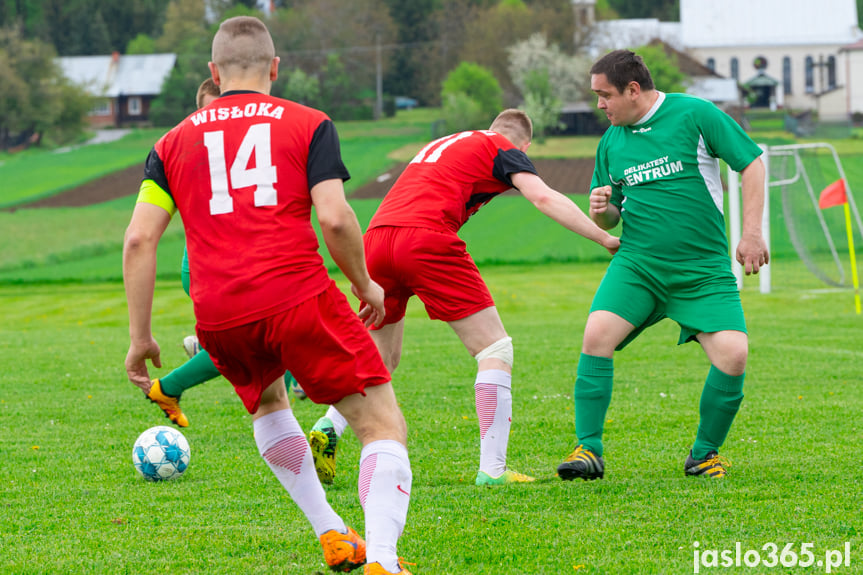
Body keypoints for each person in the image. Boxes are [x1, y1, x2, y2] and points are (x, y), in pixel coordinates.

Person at [123, 16, 413, 575]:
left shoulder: (170, 142)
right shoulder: (309, 124)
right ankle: (382, 562)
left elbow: (139, 239)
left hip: (220, 315)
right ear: (275, 67)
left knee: (270, 404)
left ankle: (331, 532)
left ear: (214, 72)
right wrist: (364, 283)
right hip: (296, 295)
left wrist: (141, 338)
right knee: (381, 424)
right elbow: (334, 218)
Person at [310, 108, 620, 487]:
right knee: (495, 350)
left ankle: (328, 426)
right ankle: (493, 470)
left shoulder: (445, 143)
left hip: (375, 240)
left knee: (381, 359)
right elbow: (542, 197)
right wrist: (603, 237)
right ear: (524, 145)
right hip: (424, 238)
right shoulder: (503, 148)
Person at [556, 49, 769, 482]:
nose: (599, 105)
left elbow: (752, 163)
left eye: (604, 95)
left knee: (734, 355)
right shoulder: (611, 142)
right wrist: (601, 210)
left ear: (633, 90)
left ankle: (703, 454)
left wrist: (750, 233)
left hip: (702, 269)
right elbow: (610, 215)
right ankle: (587, 450)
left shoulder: (694, 114)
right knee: (597, 335)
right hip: (639, 265)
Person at [145, 78, 303, 429]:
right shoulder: (196, 154)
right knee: (246, 345)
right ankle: (169, 385)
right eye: (210, 109)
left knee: (271, 333)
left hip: (236, 266)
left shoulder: (249, 151)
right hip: (207, 266)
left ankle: (291, 385)